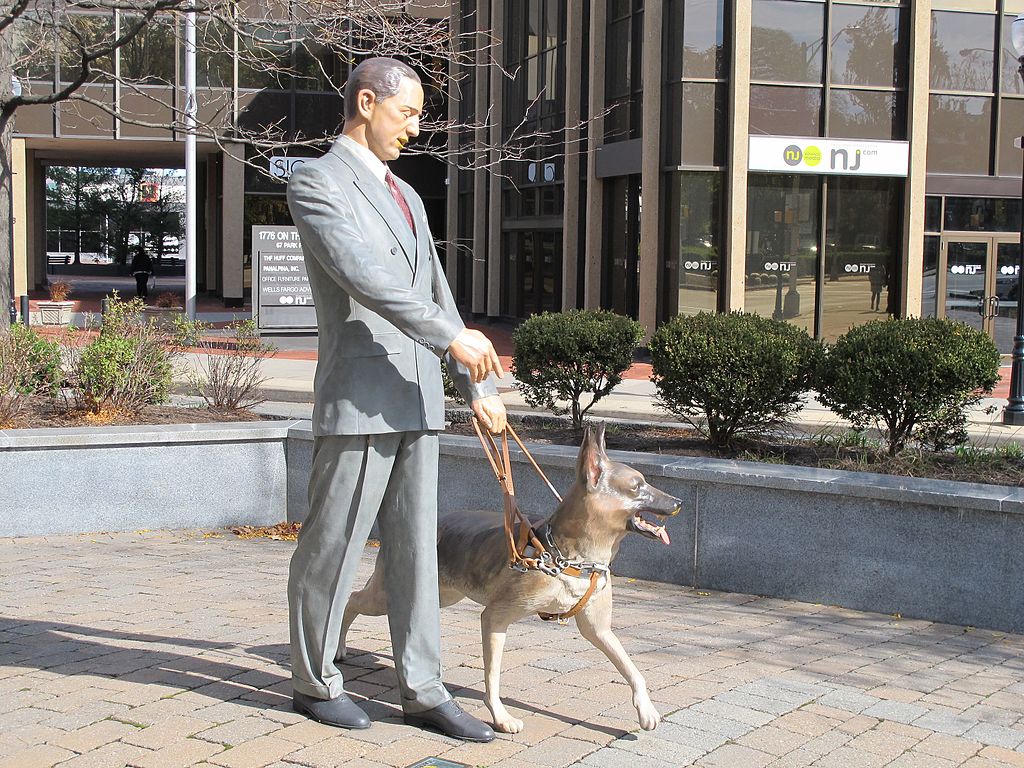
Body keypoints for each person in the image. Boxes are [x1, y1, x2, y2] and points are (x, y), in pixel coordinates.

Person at [285, 57, 507, 743]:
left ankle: (424, 688)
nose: (415, 129)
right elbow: (366, 275)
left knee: (415, 553)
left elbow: (436, 290)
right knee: (332, 545)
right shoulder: (317, 180)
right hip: (359, 397)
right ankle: (315, 681)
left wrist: (481, 384)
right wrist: (451, 340)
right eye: (407, 113)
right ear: (366, 100)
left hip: (415, 399)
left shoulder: (408, 197)